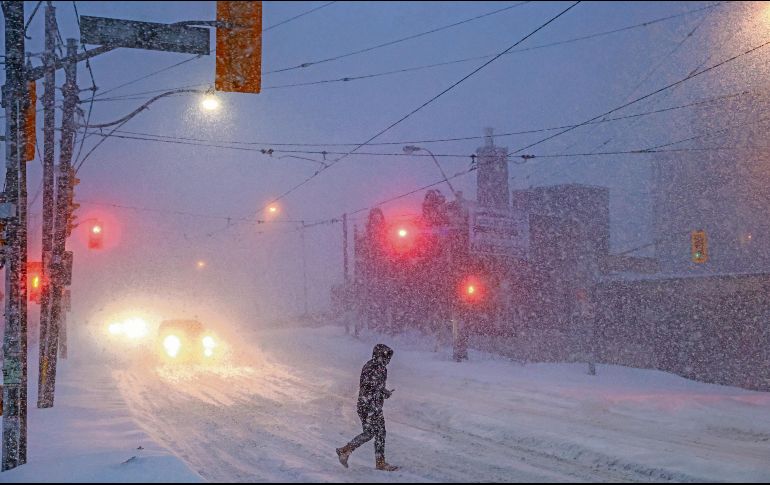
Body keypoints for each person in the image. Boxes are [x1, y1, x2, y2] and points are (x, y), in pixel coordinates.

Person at [336, 344, 398, 471]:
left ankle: (346, 450)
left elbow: (376, 387)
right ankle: (377, 462)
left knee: (374, 433)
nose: (387, 361)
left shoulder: (382, 369)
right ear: (378, 356)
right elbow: (368, 387)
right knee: (376, 433)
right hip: (368, 406)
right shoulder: (370, 367)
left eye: (388, 359)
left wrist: (384, 392)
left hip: (373, 405)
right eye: (385, 357)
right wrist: (380, 393)